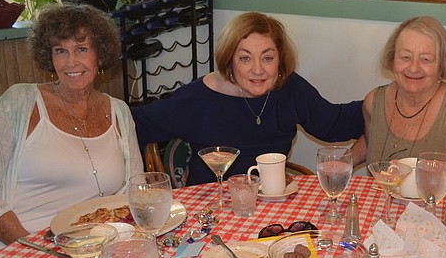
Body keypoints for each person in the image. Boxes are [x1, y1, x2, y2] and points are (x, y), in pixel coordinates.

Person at [0, 4, 143, 258]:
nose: (71, 62)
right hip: (14, 247)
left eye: (82, 49)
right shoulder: (20, 101)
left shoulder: (119, 112)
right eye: (60, 51)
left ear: (100, 55)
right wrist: (30, 246)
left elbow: (134, 189)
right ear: (49, 56)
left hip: (89, 248)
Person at [132, 12, 364, 185]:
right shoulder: (199, 98)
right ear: (229, 60)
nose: (257, 70)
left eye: (267, 58)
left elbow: (334, 124)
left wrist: (385, 99)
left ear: (281, 60)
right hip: (213, 208)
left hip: (270, 205)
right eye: (245, 58)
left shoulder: (289, 90)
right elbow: (133, 125)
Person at [355, 16, 446, 194]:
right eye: (405, 57)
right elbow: (372, 141)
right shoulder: (374, 101)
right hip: (386, 215)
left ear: (442, 65)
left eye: (426, 59)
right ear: (392, 59)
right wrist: (341, 164)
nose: (413, 68)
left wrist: (443, 177)